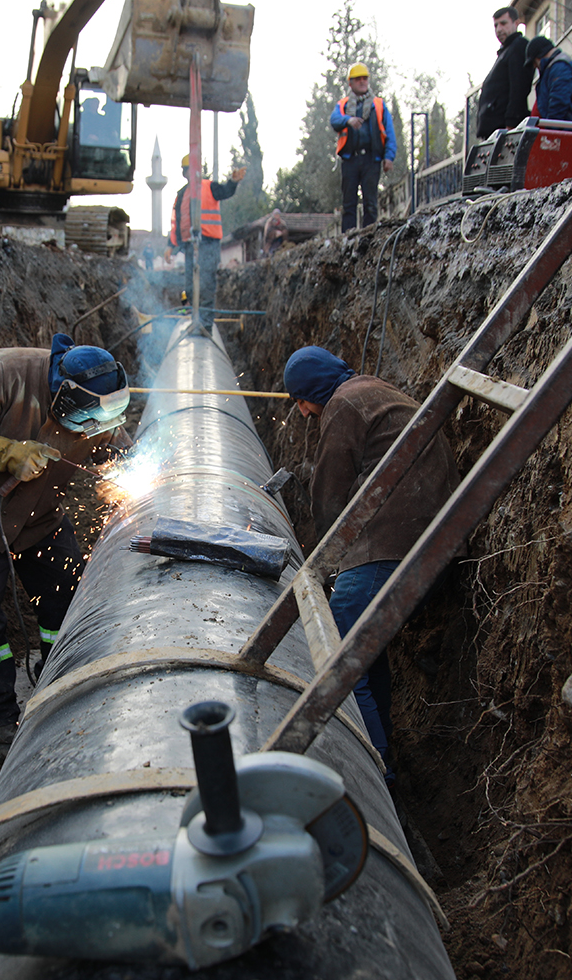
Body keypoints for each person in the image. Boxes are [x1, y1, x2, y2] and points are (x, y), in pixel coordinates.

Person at [0, 334, 131, 758]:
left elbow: (116, 447)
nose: (97, 431)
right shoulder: (5, 373)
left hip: (42, 521)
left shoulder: (98, 402)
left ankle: (58, 676)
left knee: (66, 596)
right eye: (90, 422)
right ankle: (0, 717)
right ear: (64, 397)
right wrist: (9, 453)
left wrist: (133, 472)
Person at [284, 346, 460, 784]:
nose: (304, 413)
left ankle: (374, 771)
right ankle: (383, 745)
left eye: (300, 401)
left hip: (393, 541)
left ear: (311, 393)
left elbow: (329, 492)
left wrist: (321, 560)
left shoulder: (342, 406)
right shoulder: (372, 390)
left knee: (339, 646)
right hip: (430, 532)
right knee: (366, 648)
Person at [167, 156, 246, 322]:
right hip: (189, 247)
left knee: (206, 286)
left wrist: (233, 182)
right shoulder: (182, 195)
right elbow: (177, 223)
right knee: (190, 288)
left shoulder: (209, 187)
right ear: (185, 172)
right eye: (189, 169)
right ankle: (195, 319)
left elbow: (225, 191)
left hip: (209, 244)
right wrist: (170, 246)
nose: (193, 172)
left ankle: (206, 326)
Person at [329, 63, 396, 232]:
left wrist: (389, 157)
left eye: (364, 78)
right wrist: (348, 120)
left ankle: (369, 237)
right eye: (358, 79)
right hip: (350, 159)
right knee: (349, 204)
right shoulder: (343, 105)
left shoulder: (378, 105)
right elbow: (334, 120)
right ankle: (348, 239)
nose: (362, 82)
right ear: (350, 83)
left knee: (371, 203)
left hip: (371, 159)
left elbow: (389, 132)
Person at [477, 7, 534, 140]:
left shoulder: (519, 47)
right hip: (495, 129)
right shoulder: (506, 51)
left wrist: (511, 124)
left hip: (504, 129)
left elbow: (519, 87)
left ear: (516, 23)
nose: (499, 29)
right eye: (496, 25)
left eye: (503, 23)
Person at [525, 35, 572, 124]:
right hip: (569, 126)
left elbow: (559, 103)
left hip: (570, 128)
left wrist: (550, 130)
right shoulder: (556, 67)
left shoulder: (559, 67)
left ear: (538, 57)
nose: (535, 66)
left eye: (534, 62)